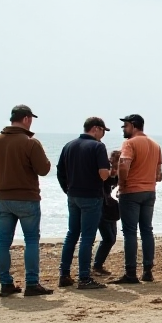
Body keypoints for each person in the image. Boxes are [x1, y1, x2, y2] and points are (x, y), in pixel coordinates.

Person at [0, 104, 54, 297]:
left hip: (3, 197)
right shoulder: (30, 143)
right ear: (26, 119)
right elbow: (44, 169)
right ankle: (32, 283)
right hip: (27, 197)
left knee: (3, 241)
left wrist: (4, 172)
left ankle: (5, 283)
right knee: (31, 240)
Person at [57, 117, 111, 290]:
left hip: (73, 195)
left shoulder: (69, 145)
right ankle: (84, 277)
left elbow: (60, 171)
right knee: (87, 237)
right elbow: (103, 174)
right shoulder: (97, 146)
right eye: (103, 131)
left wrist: (67, 189)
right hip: (91, 196)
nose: (103, 135)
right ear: (96, 129)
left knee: (72, 234)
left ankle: (64, 274)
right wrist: (109, 173)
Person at [113, 114, 162, 284]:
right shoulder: (155, 145)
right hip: (149, 192)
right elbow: (159, 175)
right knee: (147, 230)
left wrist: (121, 184)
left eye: (125, 126)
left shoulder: (130, 143)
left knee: (129, 232)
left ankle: (131, 272)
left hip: (132, 192)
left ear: (134, 126)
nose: (123, 129)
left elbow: (123, 165)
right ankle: (147, 270)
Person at [92, 150, 121, 276]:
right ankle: (96, 265)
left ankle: (98, 264)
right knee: (108, 238)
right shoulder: (105, 174)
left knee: (111, 238)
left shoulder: (118, 175)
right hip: (102, 209)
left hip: (112, 209)